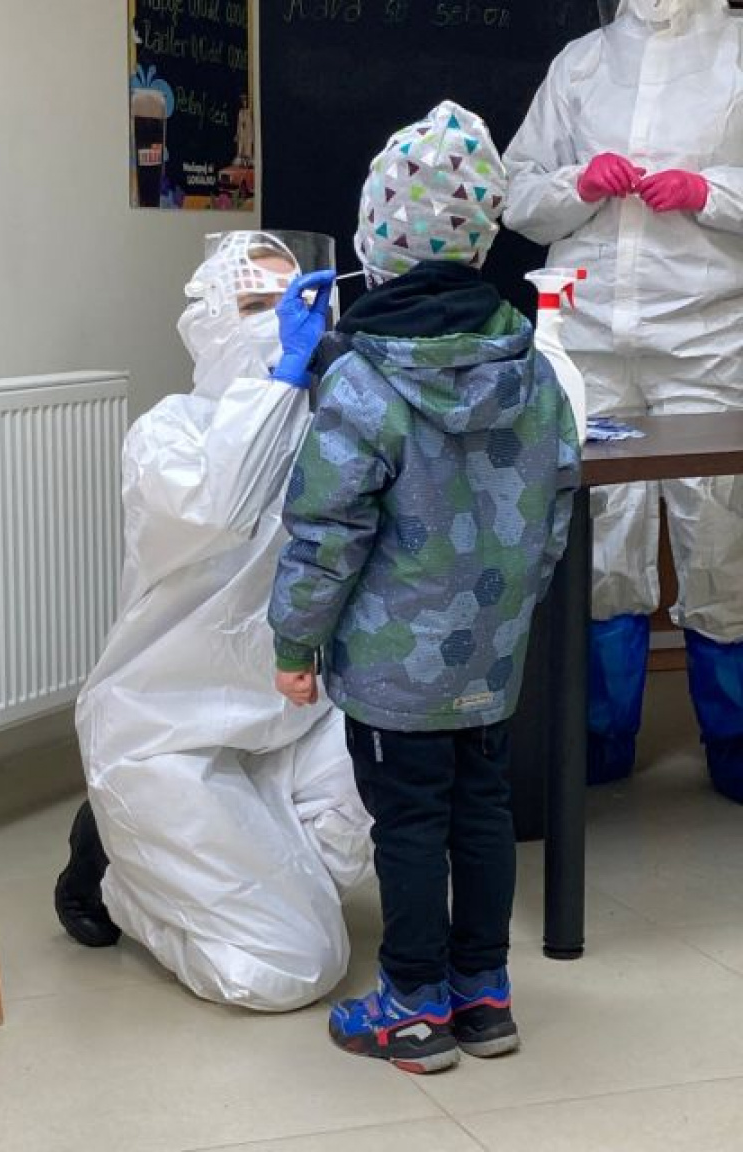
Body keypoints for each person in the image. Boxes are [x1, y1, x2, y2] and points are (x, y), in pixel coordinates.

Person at [268, 102, 580, 1073]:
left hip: (393, 672)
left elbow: (326, 530)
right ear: (482, 237)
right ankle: (483, 997)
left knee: (407, 822)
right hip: (489, 655)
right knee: (482, 811)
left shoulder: (362, 382)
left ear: (374, 241)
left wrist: (295, 642)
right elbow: (558, 500)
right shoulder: (532, 367)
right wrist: (513, 609)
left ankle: (410, 1005)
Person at [55, 231, 371, 1012]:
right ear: (208, 320)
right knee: (289, 968)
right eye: (258, 305)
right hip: (167, 731)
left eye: (300, 307)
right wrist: (282, 380)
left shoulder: (330, 431)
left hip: (291, 717)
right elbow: (222, 507)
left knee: (363, 822)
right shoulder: (168, 433)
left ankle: (183, 859)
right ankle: (119, 879)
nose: (283, 326)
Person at [503, 0, 743, 799]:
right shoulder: (581, 63)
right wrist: (579, 184)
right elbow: (517, 196)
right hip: (589, 332)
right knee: (602, 539)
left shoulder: (738, 54)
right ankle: (599, 737)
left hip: (706, 334)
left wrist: (708, 192)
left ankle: (733, 739)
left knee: (720, 532)